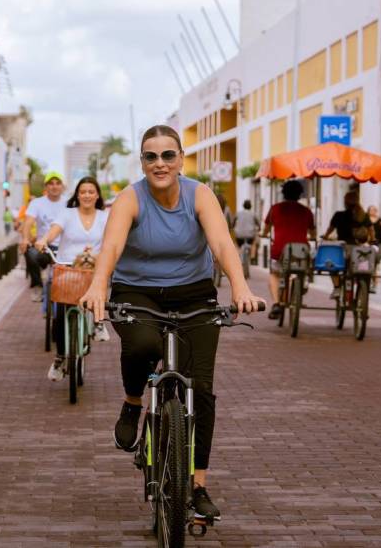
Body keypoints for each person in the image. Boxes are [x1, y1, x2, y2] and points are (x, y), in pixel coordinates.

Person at [80, 125, 264, 521]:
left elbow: (220, 243)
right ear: (142, 162)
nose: (159, 163)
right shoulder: (130, 198)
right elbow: (110, 247)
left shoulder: (200, 194)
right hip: (137, 292)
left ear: (180, 159)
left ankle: (197, 486)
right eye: (151, 156)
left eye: (168, 155)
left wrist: (241, 287)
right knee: (144, 345)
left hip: (194, 293)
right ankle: (132, 404)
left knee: (202, 389)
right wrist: (98, 286)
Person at [35, 176, 110, 380]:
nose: (87, 195)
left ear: (97, 195)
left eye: (91, 192)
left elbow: (112, 239)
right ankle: (60, 358)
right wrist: (43, 240)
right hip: (67, 267)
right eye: (83, 191)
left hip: (93, 267)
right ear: (77, 194)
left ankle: (98, 321)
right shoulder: (67, 214)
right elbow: (53, 232)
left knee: (102, 284)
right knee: (60, 316)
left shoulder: (105, 216)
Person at [262, 180, 316, 319]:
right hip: (301, 250)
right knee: (299, 271)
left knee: (274, 274)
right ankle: (301, 284)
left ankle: (277, 303)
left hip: (280, 249)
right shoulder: (306, 211)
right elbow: (313, 234)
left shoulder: (275, 209)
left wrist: (263, 234)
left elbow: (266, 230)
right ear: (300, 194)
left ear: (283, 193)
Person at [20, 172, 66, 300]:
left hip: (64, 248)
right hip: (44, 247)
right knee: (30, 253)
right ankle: (37, 286)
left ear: (62, 186)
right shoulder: (37, 203)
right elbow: (28, 222)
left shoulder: (69, 203)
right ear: (46, 187)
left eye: (58, 183)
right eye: (51, 183)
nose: (54, 186)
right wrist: (25, 239)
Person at [323, 191, 374, 298]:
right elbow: (371, 230)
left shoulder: (338, 215)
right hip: (358, 250)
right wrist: (372, 240)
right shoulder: (363, 216)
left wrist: (325, 236)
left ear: (345, 202)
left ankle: (337, 287)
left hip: (342, 249)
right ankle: (362, 284)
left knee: (331, 264)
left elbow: (330, 229)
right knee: (362, 267)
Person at [367, 205, 381, 292]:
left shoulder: (380, 220)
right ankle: (370, 283)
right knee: (370, 264)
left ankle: (373, 283)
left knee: (375, 263)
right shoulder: (366, 220)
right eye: (372, 210)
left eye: (375, 210)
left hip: (378, 244)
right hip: (368, 243)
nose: (374, 211)